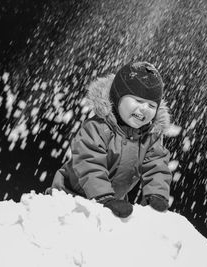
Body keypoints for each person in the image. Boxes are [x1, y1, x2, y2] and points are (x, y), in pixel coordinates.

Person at [45, 61, 172, 218]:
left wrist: (156, 194)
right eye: (138, 101)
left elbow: (157, 165)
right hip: (69, 200)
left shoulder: (149, 138)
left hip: (112, 203)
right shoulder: (97, 128)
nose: (145, 108)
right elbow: (90, 164)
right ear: (118, 97)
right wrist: (104, 197)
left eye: (152, 106)